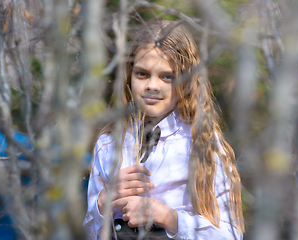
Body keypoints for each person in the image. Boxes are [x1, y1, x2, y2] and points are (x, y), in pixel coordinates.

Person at [83, 20, 244, 240]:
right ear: (129, 76)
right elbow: (91, 234)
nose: (152, 85)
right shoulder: (108, 144)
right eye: (142, 74)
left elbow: (231, 235)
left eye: (167, 76)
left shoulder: (203, 143)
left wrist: (169, 218)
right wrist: (102, 203)